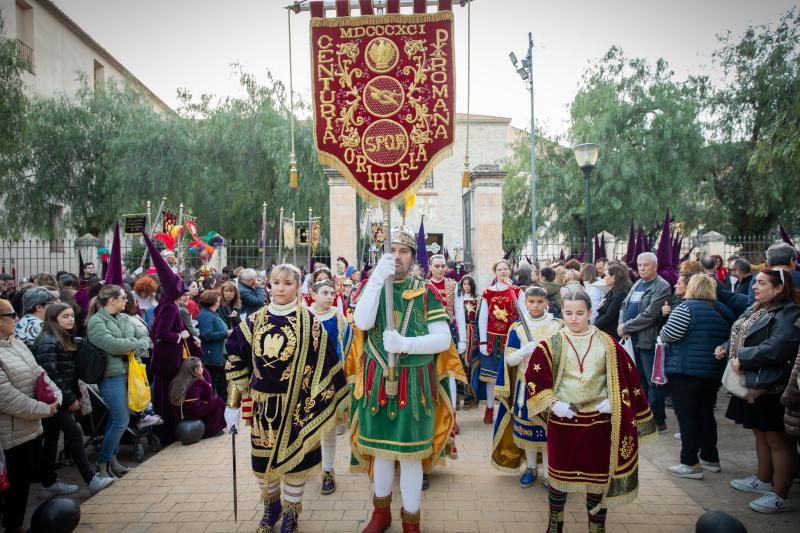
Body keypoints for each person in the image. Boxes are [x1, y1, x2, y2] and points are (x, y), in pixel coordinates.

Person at [350, 226, 463, 533]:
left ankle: (411, 520)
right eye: (391, 250)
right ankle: (381, 513)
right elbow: (362, 321)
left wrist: (406, 344)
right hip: (376, 380)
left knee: (412, 456)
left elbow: (442, 339)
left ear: (413, 257)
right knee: (382, 452)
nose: (397, 256)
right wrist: (377, 278)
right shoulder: (371, 286)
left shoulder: (426, 292)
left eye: (403, 251)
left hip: (415, 385)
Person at [224, 264, 348, 533]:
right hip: (263, 408)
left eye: (288, 283)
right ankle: (272, 507)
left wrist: (326, 403)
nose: (280, 288)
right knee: (262, 463)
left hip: (298, 407)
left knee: (296, 463)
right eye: (276, 282)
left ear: (298, 287)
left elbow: (327, 363)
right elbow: (235, 359)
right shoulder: (253, 321)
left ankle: (291, 512)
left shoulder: (311, 324)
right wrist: (232, 403)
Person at [525, 290, 656, 533]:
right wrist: (553, 404)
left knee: (597, 480)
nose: (573, 318)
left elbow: (627, 378)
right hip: (564, 422)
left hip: (599, 422)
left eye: (579, 313)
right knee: (559, 479)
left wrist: (615, 401)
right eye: (568, 313)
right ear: (562, 313)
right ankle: (554, 525)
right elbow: (535, 379)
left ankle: (597, 528)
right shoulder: (551, 344)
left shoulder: (608, 344)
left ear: (590, 313)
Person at [717, 269, 800, 513]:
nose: (754, 286)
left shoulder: (789, 312)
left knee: (777, 439)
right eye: (755, 282)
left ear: (779, 288)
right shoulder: (757, 307)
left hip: (771, 385)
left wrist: (743, 358)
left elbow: (779, 346)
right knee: (760, 432)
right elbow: (740, 334)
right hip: (752, 380)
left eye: (761, 283)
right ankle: (763, 480)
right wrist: (725, 347)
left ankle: (780, 494)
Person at [33, 304, 115, 496]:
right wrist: (70, 399)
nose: (71, 319)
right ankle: (90, 480)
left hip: (60, 397)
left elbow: (68, 373)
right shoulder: (48, 341)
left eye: (71, 315)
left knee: (52, 438)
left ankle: (48, 483)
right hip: (55, 399)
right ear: (53, 319)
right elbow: (51, 375)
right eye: (65, 316)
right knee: (74, 434)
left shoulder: (62, 337)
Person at [660, 275, 734, 479]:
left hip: (686, 371)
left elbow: (668, 334)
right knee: (706, 414)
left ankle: (690, 462)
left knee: (687, 417)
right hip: (713, 371)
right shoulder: (724, 310)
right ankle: (710, 457)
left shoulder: (685, 307)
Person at [0, 299, 61, 531]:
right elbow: (7, 397)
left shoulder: (16, 344)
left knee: (21, 486)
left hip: (30, 430)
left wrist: (55, 396)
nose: (16, 319)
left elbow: (39, 373)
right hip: (9, 435)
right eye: (11, 315)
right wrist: (45, 409)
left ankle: (14, 526)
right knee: (10, 487)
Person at [492, 286, 561, 488]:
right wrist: (523, 351)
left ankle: (548, 473)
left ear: (546, 302)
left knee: (549, 432)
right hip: (525, 387)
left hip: (549, 387)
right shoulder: (518, 328)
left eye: (540, 302)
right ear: (525, 303)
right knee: (528, 431)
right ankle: (531, 467)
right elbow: (509, 360)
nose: (536, 306)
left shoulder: (557, 325)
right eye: (531, 302)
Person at [142, 232, 203, 446]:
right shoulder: (169, 308)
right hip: (168, 360)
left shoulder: (168, 306)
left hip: (170, 357)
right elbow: (159, 334)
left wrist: (188, 339)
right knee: (168, 395)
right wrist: (180, 336)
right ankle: (167, 432)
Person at [86, 284, 150, 480]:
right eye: (123, 297)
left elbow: (145, 337)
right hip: (111, 376)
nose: (127, 300)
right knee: (121, 420)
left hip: (129, 373)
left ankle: (112, 461)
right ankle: (102, 464)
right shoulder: (96, 322)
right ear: (112, 300)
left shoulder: (124, 317)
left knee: (115, 420)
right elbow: (114, 346)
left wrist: (131, 346)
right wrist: (133, 345)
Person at [617, 252, 672, 432]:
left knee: (652, 381)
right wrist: (621, 324)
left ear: (655, 266)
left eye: (646, 265)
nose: (641, 268)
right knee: (639, 381)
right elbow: (624, 305)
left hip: (647, 340)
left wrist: (626, 327)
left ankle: (658, 420)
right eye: (639, 265)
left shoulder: (661, 286)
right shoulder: (638, 283)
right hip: (633, 339)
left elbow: (650, 315)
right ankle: (644, 417)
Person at [309, 279, 354, 495]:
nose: (329, 297)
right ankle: (308, 465)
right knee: (309, 427)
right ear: (313, 295)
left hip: (330, 379)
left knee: (328, 428)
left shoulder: (338, 317)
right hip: (307, 381)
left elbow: (348, 343)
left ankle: (328, 470)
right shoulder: (304, 315)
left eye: (331, 293)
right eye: (324, 293)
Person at [477, 259, 525, 424]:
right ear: (495, 272)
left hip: (511, 338)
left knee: (511, 376)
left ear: (510, 271)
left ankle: (510, 409)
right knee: (491, 377)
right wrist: (483, 342)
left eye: (505, 269)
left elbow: (523, 316)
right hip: (493, 340)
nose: (503, 271)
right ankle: (490, 408)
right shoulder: (488, 293)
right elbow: (483, 318)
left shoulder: (517, 291)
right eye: (500, 269)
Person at [427, 254, 461, 429]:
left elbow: (459, 313)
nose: (440, 269)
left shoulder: (454, 286)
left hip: (450, 333)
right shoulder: (424, 286)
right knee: (431, 373)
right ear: (430, 267)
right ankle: (433, 415)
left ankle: (452, 416)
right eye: (437, 266)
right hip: (429, 334)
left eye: (442, 266)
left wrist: (463, 340)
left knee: (450, 374)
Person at [169, 357, 225, 438]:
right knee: (218, 401)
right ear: (196, 370)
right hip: (193, 414)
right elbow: (210, 399)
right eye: (201, 367)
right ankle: (211, 430)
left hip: (180, 415)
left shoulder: (175, 381)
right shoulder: (199, 382)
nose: (203, 369)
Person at [196, 289, 230, 399]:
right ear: (214, 301)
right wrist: (226, 333)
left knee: (222, 382)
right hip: (211, 356)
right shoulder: (207, 315)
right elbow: (206, 335)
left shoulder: (210, 313)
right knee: (216, 383)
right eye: (218, 298)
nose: (220, 299)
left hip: (216, 354)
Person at [456, 275, 479, 407]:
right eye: (464, 284)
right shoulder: (458, 298)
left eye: (468, 284)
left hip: (472, 333)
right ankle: (459, 394)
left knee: (470, 362)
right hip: (460, 332)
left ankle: (470, 394)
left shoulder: (477, 299)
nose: (466, 286)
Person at [593, 264, 631, 340]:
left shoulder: (620, 294)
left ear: (613, 277)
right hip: (605, 332)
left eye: (606, 275)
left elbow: (609, 316)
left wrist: (593, 327)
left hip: (611, 335)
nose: (604, 278)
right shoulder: (612, 291)